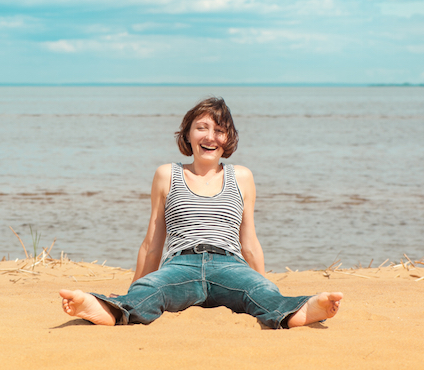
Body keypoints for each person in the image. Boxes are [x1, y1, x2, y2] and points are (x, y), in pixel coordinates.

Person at [60, 97, 342, 329]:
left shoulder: (242, 177)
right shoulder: (166, 174)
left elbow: (250, 241)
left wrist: (264, 283)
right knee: (151, 291)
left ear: (228, 138)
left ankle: (301, 311)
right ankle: (107, 311)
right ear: (187, 134)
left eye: (219, 130)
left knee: (260, 293)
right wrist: (132, 289)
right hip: (180, 266)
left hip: (230, 265)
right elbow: (152, 242)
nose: (210, 137)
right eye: (202, 128)